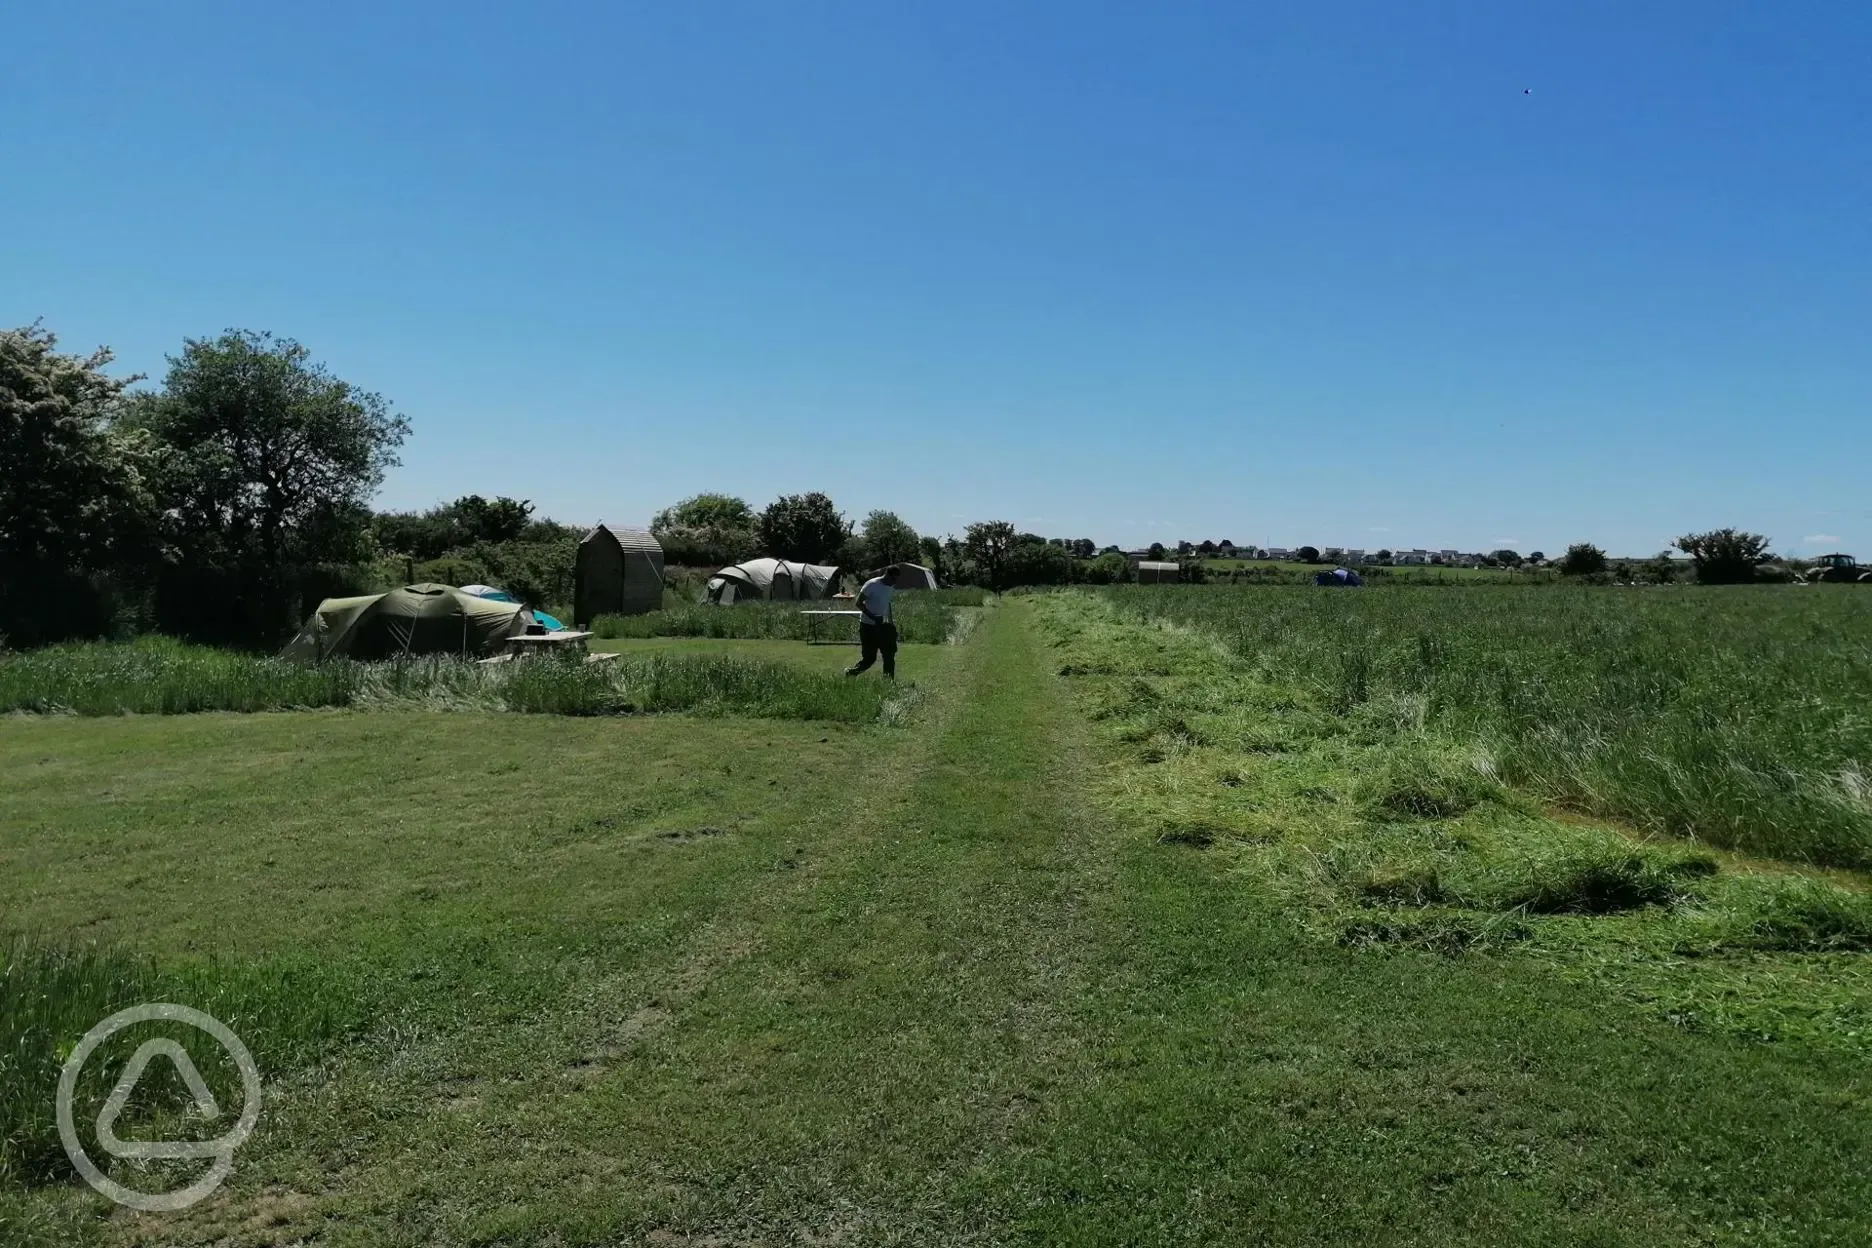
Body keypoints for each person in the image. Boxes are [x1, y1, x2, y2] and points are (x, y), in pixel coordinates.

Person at [845, 565, 901, 679]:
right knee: (869, 659)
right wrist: (873, 617)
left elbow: (887, 604)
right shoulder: (872, 585)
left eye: (896, 579)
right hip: (868, 626)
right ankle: (851, 673)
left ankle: (888, 682)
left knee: (889, 655)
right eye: (893, 579)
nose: (895, 582)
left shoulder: (890, 587)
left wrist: (891, 622)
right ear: (887, 575)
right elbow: (858, 603)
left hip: (883, 626)